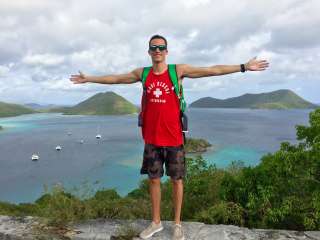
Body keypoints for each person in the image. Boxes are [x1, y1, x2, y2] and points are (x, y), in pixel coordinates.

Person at [70, 34, 269, 240]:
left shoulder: (177, 71)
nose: (157, 50)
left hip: (174, 138)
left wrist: (243, 67)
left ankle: (177, 224)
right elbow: (116, 78)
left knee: (177, 181)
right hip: (152, 139)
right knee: (154, 180)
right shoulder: (143, 73)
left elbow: (212, 70)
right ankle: (156, 222)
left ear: (166, 51)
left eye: (161, 47)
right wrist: (89, 78)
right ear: (149, 52)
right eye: (153, 47)